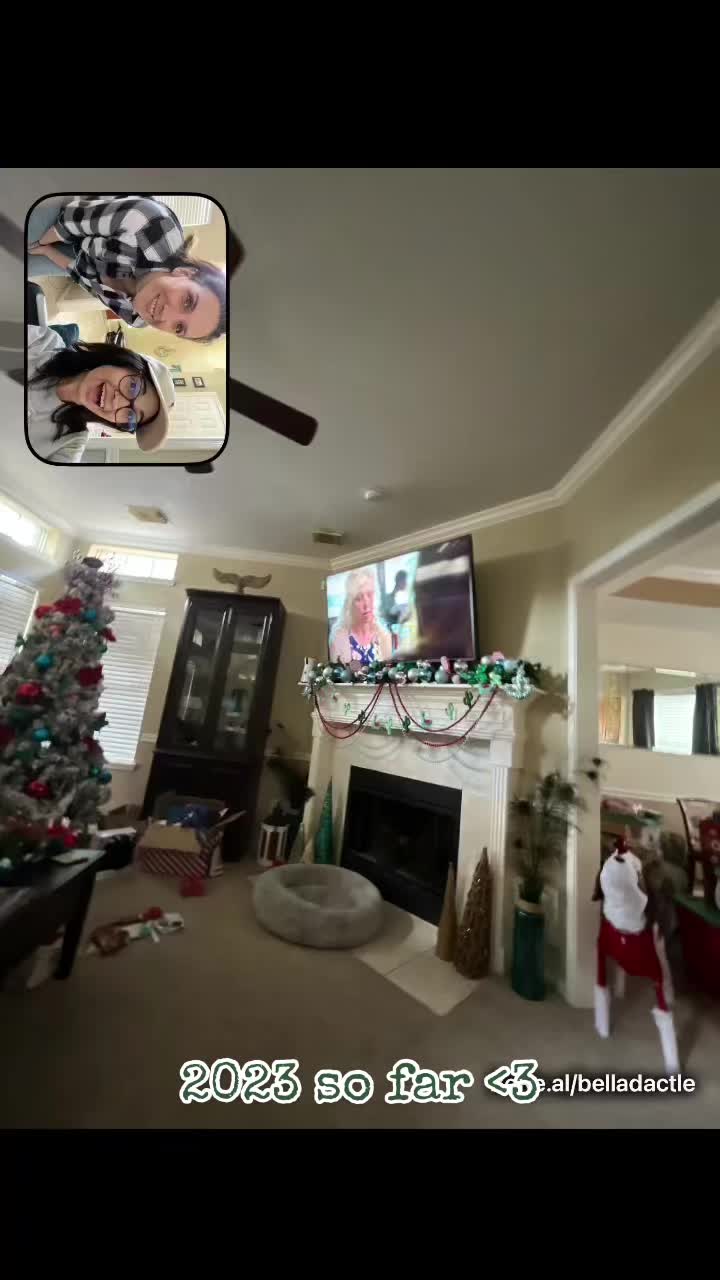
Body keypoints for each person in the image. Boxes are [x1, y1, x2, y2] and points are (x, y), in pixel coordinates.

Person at [27, 196, 231, 341]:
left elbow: (84, 277)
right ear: (185, 273)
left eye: (179, 327)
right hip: (79, 212)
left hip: (84, 254)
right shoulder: (147, 222)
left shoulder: (137, 318)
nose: (165, 316)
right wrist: (39, 242)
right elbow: (71, 220)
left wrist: (48, 252)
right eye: (187, 301)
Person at [27, 324, 175, 463]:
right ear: (124, 362)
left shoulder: (70, 444)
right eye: (133, 386)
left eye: (131, 416)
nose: (117, 402)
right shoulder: (43, 342)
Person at [328, 568, 393, 665]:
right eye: (358, 598)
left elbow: (389, 671)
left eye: (370, 595)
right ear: (350, 603)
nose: (366, 605)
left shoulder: (384, 636)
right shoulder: (338, 636)